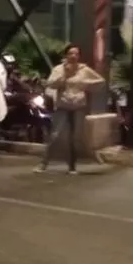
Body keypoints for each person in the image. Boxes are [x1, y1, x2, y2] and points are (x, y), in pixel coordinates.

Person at [36, 44, 104, 175]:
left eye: (76, 54)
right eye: (71, 53)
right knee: (55, 135)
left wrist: (85, 85)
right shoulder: (59, 69)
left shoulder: (84, 69)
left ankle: (72, 166)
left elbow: (100, 81)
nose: (73, 56)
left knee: (75, 138)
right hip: (63, 106)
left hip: (78, 106)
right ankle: (43, 163)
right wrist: (65, 76)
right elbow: (51, 84)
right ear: (66, 55)